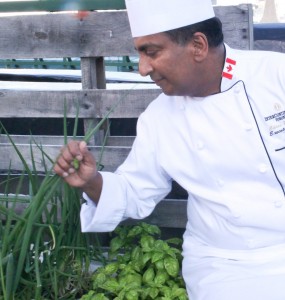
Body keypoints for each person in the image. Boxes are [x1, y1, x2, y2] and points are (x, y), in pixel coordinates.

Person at [54, 0, 285, 299]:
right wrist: (91, 181)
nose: (141, 69)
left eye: (151, 52)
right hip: (224, 265)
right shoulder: (158, 118)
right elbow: (133, 190)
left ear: (198, 46)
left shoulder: (276, 75)